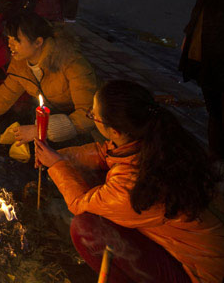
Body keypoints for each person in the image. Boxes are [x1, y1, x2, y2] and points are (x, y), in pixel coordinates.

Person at [36, 81, 224, 283]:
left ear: (115, 131)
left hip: (199, 275)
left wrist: (56, 164)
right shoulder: (152, 140)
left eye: (93, 114)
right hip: (195, 248)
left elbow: (79, 203)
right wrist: (58, 156)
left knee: (86, 227)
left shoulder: (133, 182)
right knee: (95, 179)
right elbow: (104, 153)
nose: (89, 114)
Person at [0, 11, 97, 144]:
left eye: (16, 40)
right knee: (4, 129)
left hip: (82, 128)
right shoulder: (21, 65)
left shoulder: (71, 63)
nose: (10, 45)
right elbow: (1, 99)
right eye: (9, 38)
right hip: (50, 116)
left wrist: (38, 130)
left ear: (38, 42)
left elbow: (89, 115)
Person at [180, 0, 224, 160]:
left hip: (216, 47)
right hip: (208, 45)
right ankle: (215, 158)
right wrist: (190, 34)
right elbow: (203, 4)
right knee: (214, 107)